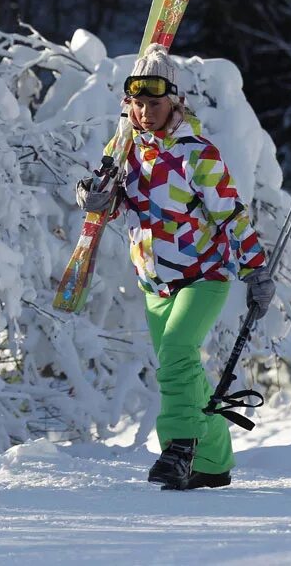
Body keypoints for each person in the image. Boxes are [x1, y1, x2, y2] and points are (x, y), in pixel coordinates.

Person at [75, 43, 276, 490]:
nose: (146, 112)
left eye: (155, 103)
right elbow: (112, 199)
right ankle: (214, 462)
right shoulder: (125, 148)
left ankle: (179, 448)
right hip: (155, 283)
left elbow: (231, 214)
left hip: (203, 276)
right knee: (181, 369)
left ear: (175, 103)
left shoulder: (196, 154)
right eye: (138, 103)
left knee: (177, 356)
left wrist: (256, 271)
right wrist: (94, 198)